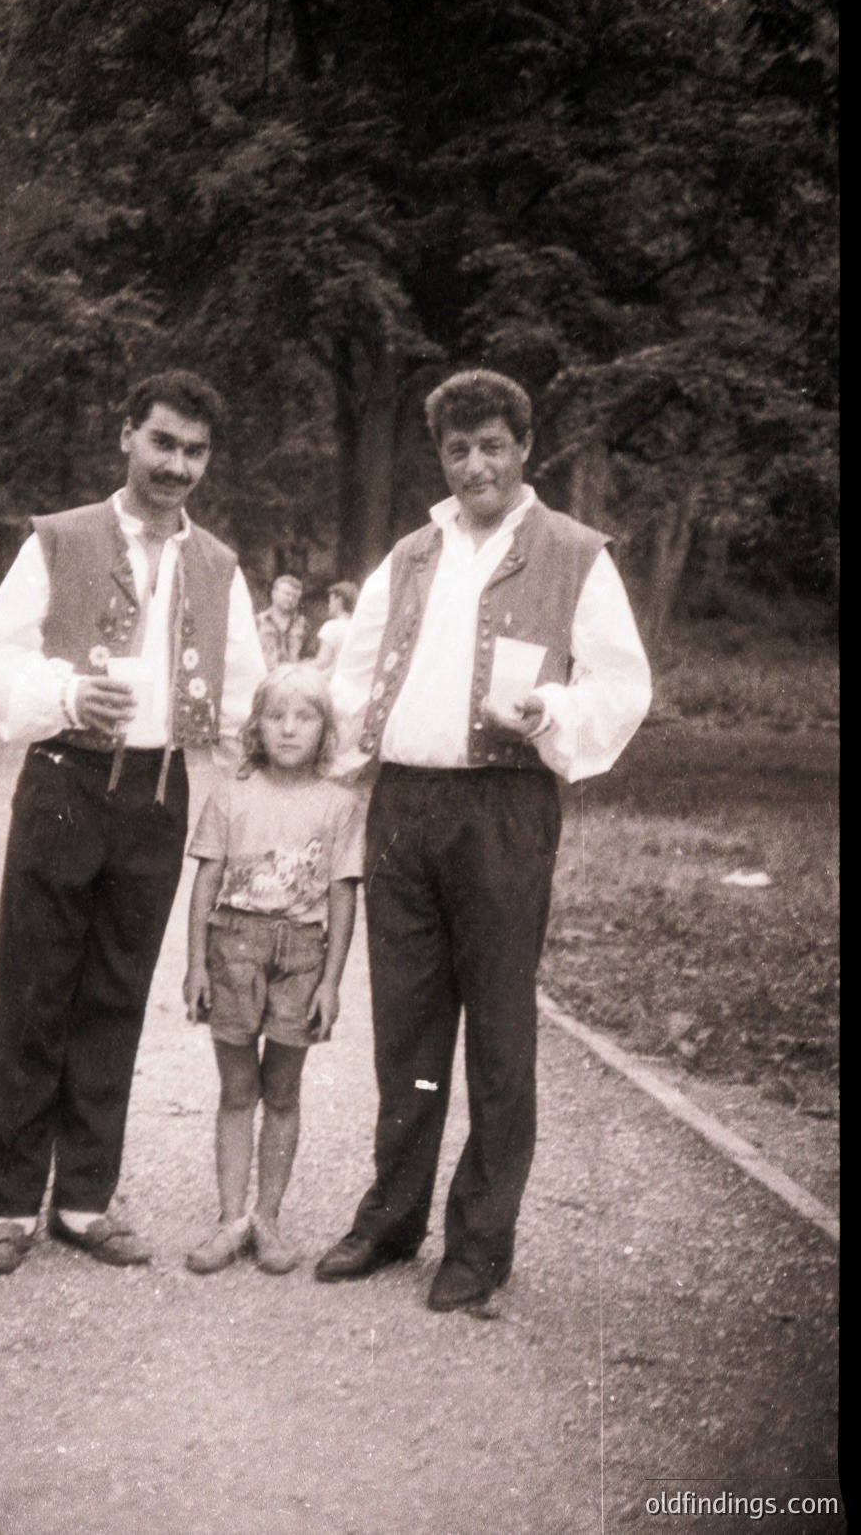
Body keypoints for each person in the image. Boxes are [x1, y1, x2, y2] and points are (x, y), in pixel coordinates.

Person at [314, 368, 651, 1312]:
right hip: (405, 808)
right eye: (459, 449)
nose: (476, 465)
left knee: (499, 1034)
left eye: (493, 445)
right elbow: (353, 670)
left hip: (504, 811)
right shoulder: (411, 554)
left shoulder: (575, 553)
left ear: (524, 449)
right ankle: (391, 1219)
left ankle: (480, 1242)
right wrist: (347, 758)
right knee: (407, 1031)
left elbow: (624, 686)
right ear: (442, 457)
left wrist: (553, 709)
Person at [0, 370, 267, 1277]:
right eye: (163, 442)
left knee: (115, 989)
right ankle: (9, 1205)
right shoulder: (60, 540)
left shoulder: (218, 566)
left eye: (195, 451)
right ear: (126, 436)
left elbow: (248, 688)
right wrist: (62, 692)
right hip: (66, 776)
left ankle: (86, 1200)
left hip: (161, 793)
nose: (177, 464)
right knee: (33, 986)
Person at [183, 664, 362, 1276]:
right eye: (277, 716)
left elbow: (342, 895)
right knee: (237, 1091)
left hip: (303, 959)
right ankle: (231, 1219)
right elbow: (205, 879)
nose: (289, 729)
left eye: (305, 717)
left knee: (282, 1092)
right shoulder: (231, 794)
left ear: (325, 729)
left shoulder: (340, 804)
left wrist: (332, 982)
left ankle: (269, 1219)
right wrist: (194, 967)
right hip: (232, 950)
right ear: (256, 725)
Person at [256, 575, 307, 669]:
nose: (290, 599)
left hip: (293, 679)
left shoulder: (303, 624)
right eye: (287, 594)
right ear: (273, 593)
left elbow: (311, 656)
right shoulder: (258, 621)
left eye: (295, 596)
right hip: (263, 677)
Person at [312, 581, 359, 677]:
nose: (329, 605)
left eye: (330, 601)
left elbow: (322, 662)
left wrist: (296, 667)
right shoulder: (357, 626)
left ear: (339, 600)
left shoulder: (331, 626)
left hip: (332, 681)